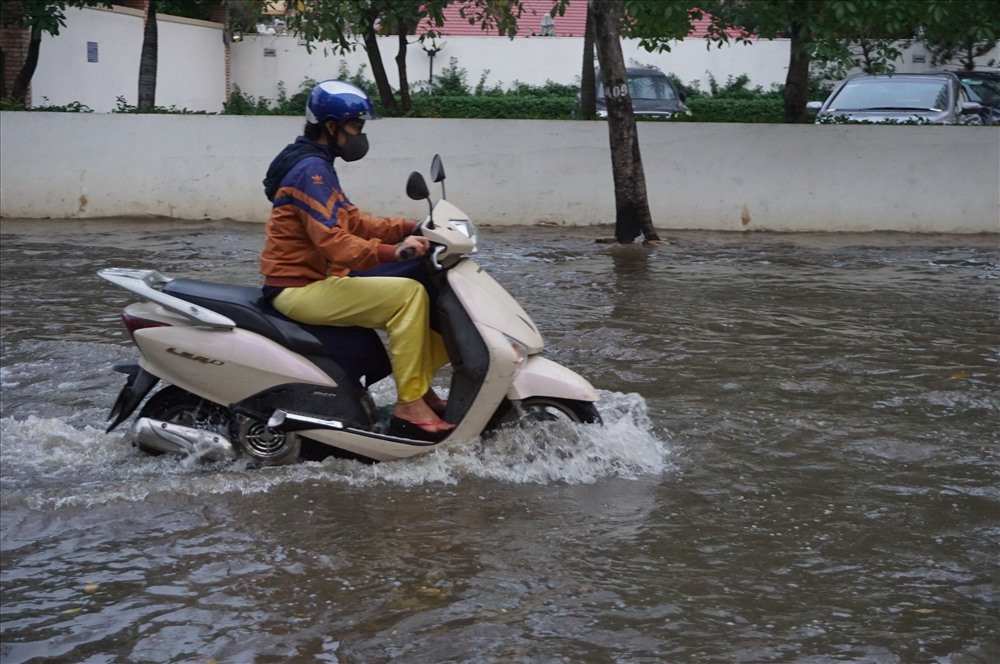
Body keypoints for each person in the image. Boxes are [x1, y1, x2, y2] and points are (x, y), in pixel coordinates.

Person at [259, 80, 453, 437]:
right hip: (299, 286)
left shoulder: (316, 165)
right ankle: (410, 403)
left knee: (421, 277)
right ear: (330, 126)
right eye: (356, 127)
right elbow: (334, 241)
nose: (360, 136)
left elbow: (353, 220)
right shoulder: (310, 172)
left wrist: (412, 226)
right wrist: (392, 251)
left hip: (319, 277)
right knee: (408, 296)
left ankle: (420, 387)